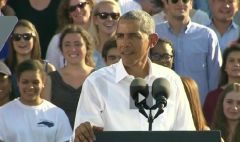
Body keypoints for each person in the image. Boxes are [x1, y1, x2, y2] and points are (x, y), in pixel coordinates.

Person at [73, 10, 195, 142]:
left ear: (152, 40)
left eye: (133, 36)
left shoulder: (171, 80)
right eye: (120, 36)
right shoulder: (97, 82)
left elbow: (186, 133)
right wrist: (82, 134)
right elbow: (84, 136)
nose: (125, 43)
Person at [156, 0, 222, 104]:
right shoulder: (155, 33)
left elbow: (215, 78)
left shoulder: (207, 35)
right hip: (164, 107)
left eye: (185, 0)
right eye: (174, 0)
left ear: (191, 4)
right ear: (166, 4)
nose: (180, 3)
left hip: (199, 109)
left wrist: (210, 108)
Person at [0, 59, 72, 142]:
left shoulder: (57, 114)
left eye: (35, 82)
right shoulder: (3, 114)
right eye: (25, 82)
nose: (30, 87)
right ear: (18, 82)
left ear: (43, 82)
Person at [42, 24, 95, 129]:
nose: (73, 49)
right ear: (61, 49)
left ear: (87, 47)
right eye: (67, 45)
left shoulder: (98, 77)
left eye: (77, 44)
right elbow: (45, 116)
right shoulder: (50, 79)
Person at [5, 19, 55, 97]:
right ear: (12, 41)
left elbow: (47, 103)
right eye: (17, 37)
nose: (22, 40)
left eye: (27, 37)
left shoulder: (48, 69)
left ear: (34, 39)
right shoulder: (3, 67)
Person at [46, 0, 96, 69]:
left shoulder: (102, 35)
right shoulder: (57, 40)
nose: (78, 10)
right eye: (72, 8)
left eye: (81, 5)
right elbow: (50, 71)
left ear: (90, 6)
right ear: (69, 14)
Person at [203, 44, 240, 125]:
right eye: (231, 60)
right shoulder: (212, 97)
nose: (236, 64)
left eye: (239, 61)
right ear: (225, 67)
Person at [89, 0, 121, 69]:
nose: (109, 19)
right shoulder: (86, 50)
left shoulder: (126, 48)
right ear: (95, 20)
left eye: (114, 16)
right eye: (103, 16)